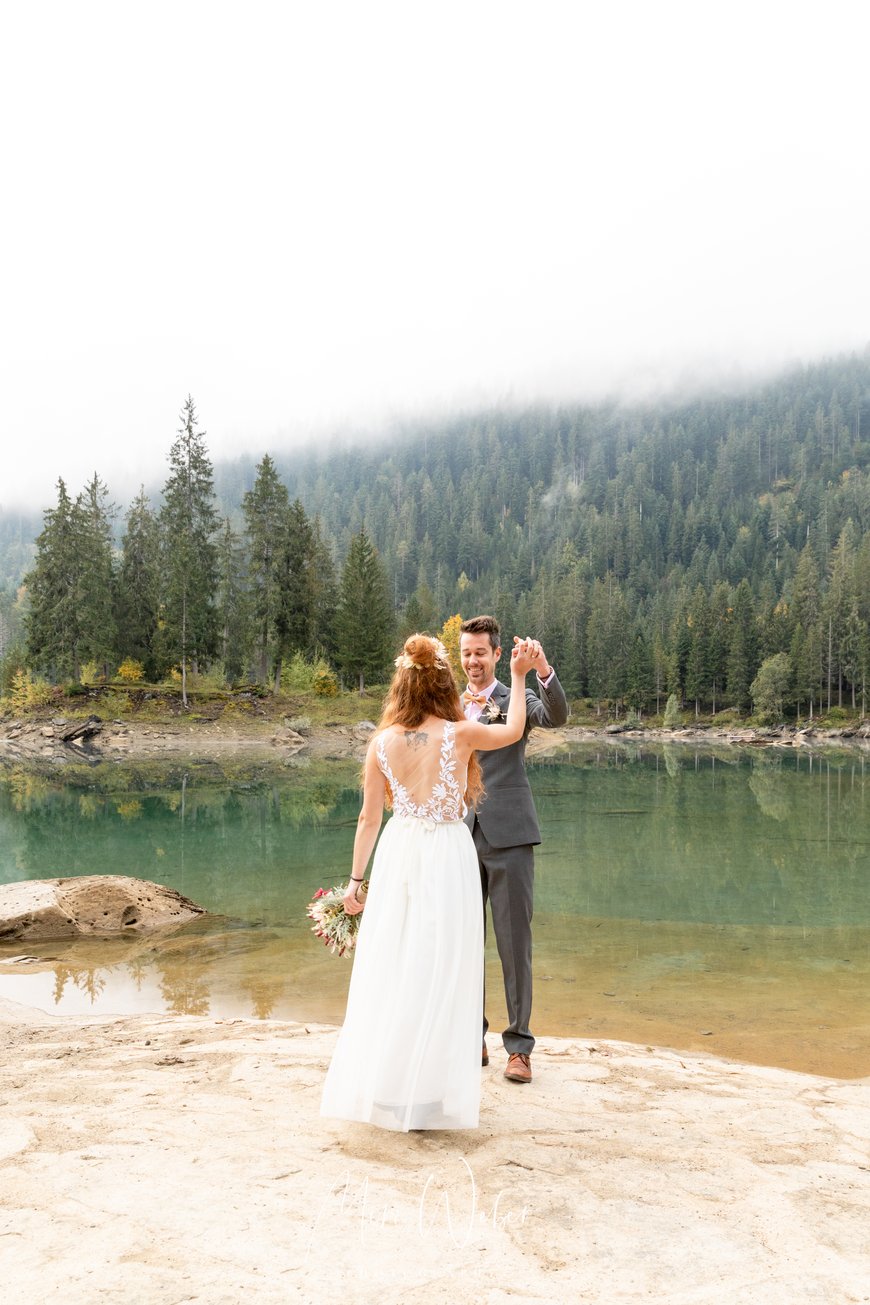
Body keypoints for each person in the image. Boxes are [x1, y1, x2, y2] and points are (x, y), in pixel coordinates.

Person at [320, 632, 537, 1132]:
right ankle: (431, 1090)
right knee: (443, 965)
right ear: (443, 684)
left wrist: (355, 882)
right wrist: (519, 676)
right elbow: (513, 730)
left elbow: (368, 820)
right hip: (445, 853)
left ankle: (392, 1087)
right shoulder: (460, 734)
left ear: (401, 685)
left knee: (398, 962)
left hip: (399, 852)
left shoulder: (381, 743)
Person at [459, 614, 569, 1085]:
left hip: (511, 836)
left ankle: (519, 1048)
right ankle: (472, 1039)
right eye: (466, 653)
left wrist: (541, 669)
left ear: (497, 654)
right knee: (463, 943)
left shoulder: (516, 696)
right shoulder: (451, 705)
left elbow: (557, 716)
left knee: (514, 945)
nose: (473, 661)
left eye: (480, 653)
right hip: (458, 837)